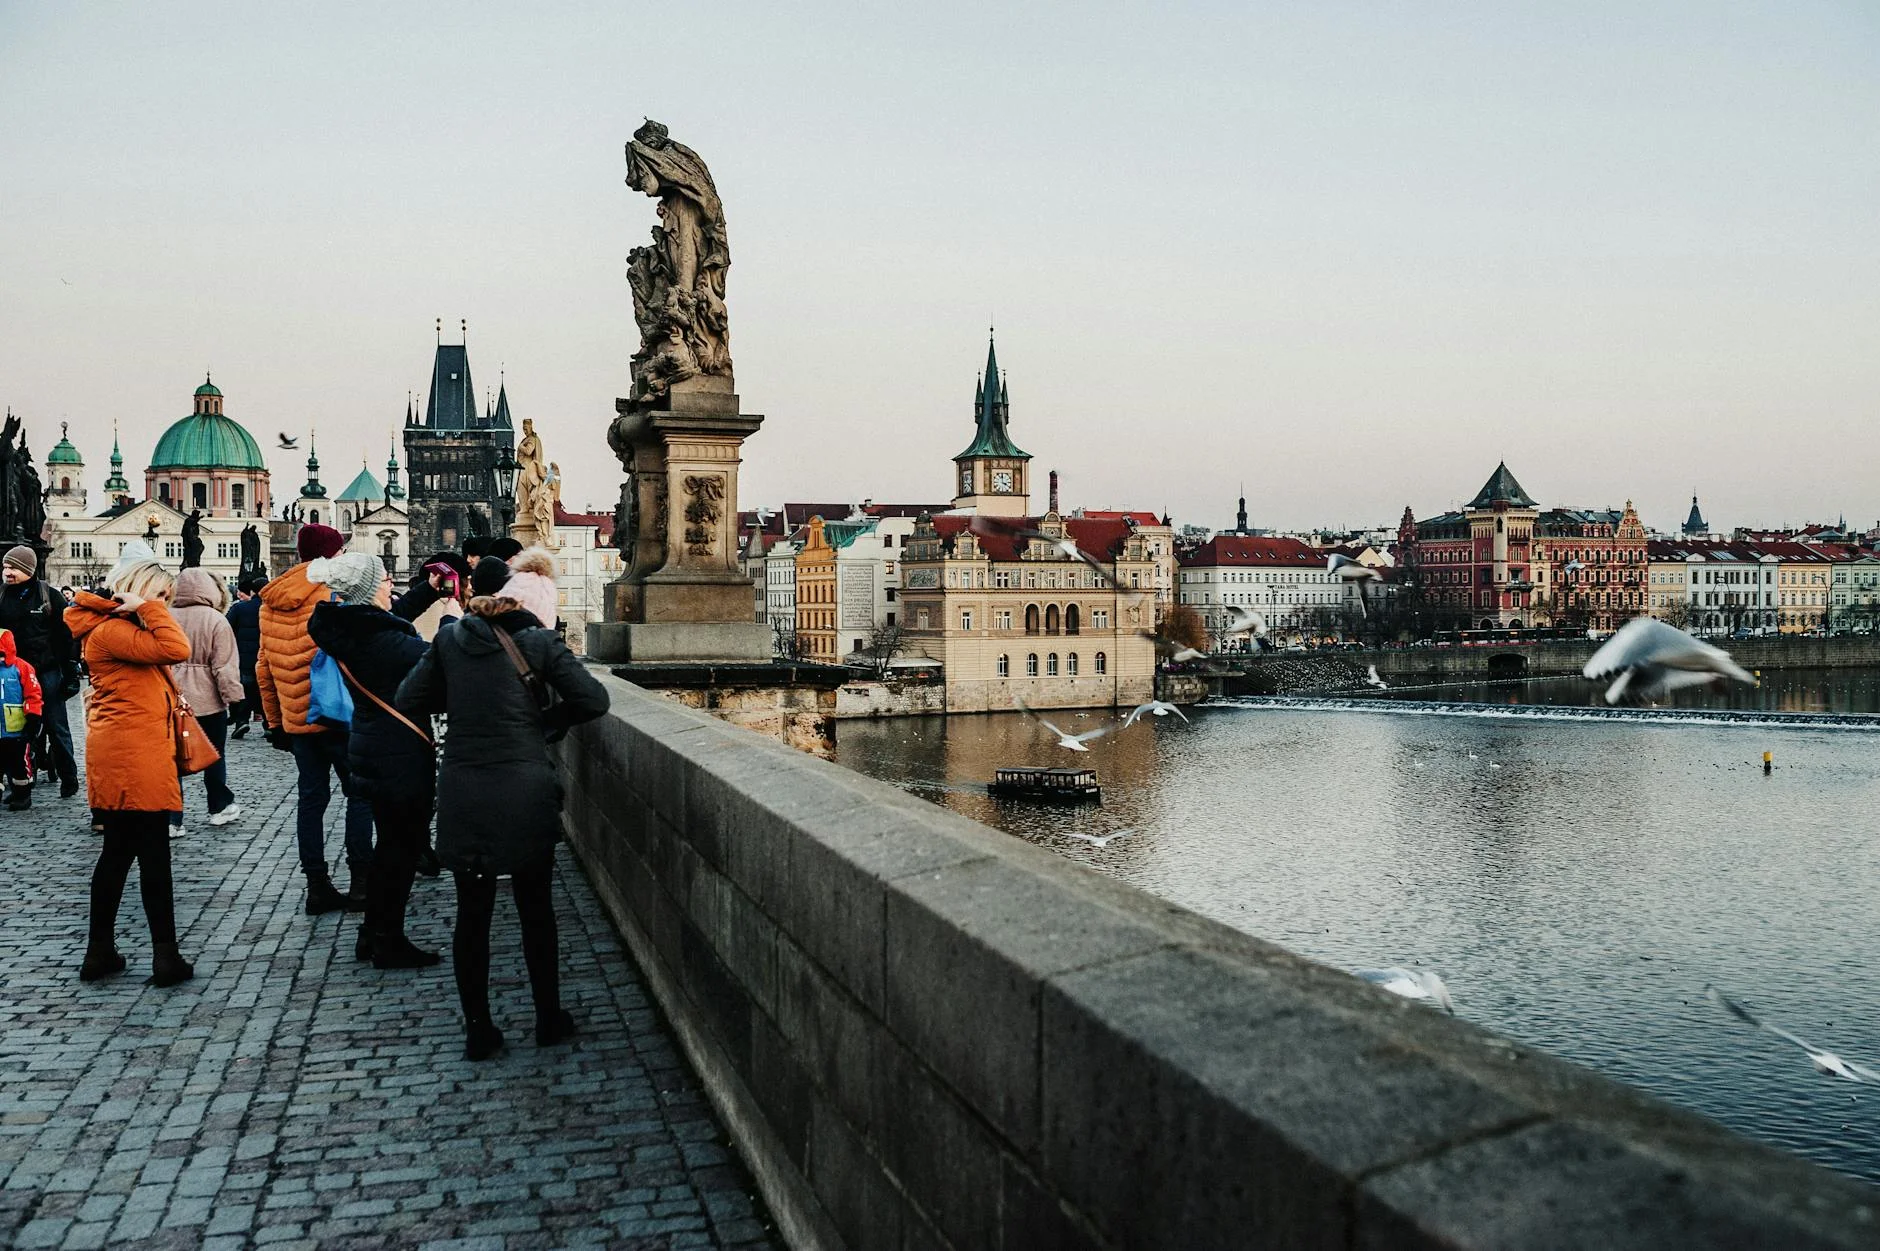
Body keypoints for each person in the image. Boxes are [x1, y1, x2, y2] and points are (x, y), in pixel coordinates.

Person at [397, 549, 608, 1059]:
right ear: (534, 609)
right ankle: (547, 1019)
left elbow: (409, 699)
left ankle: (478, 1029)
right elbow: (594, 701)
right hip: (524, 789)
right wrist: (547, 724)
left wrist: (465, 702)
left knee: (472, 914)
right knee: (535, 909)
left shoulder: (450, 639)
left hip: (465, 788)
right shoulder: (540, 643)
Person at [67, 545, 195, 986]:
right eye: (161, 596)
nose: (166, 607)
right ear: (139, 591)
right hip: (132, 754)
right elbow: (177, 647)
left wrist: (147, 609)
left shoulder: (116, 631)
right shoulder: (112, 632)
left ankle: (100, 951)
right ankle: (165, 957)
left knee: (119, 854)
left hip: (131, 750)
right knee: (150, 856)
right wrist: (147, 609)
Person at [308, 553, 441, 969]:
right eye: (384, 580)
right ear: (368, 591)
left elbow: (390, 620)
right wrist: (457, 622)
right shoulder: (378, 640)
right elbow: (435, 658)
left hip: (374, 745)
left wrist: (427, 592)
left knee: (389, 850)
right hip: (396, 752)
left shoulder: (350, 628)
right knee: (400, 853)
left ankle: (372, 933)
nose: (390, 586)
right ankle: (388, 940)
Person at [255, 524, 372, 915]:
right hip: (338, 716)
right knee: (358, 795)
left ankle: (317, 886)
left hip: (298, 720)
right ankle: (361, 882)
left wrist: (275, 723)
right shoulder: (332, 595)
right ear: (329, 556)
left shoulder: (269, 602)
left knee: (311, 800)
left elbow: (263, 668)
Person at [167, 568, 245, 835]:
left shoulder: (165, 616)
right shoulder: (216, 619)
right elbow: (224, 666)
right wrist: (234, 698)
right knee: (214, 754)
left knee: (171, 758)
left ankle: (172, 818)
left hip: (172, 698)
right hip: (208, 699)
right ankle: (219, 807)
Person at [0, 545, 79, 797]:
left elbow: (66, 638)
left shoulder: (49, 596)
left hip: (46, 671)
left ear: (27, 570)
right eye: (5, 567)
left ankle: (69, 776)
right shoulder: (1, 595)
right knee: (15, 727)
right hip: (12, 673)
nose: (6, 572)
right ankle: (21, 778)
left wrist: (70, 673)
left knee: (57, 727)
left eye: (12, 568)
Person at [0, 627, 44, 809]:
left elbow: (33, 694)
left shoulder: (22, 668)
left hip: (17, 730)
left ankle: (22, 795)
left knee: (19, 764)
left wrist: (33, 718)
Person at [226, 575, 264, 738]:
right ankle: (270, 725)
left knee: (243, 690)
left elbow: (226, 628)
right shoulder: (270, 608)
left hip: (243, 657)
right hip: (265, 657)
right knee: (265, 691)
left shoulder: (239, 609)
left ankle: (241, 722)